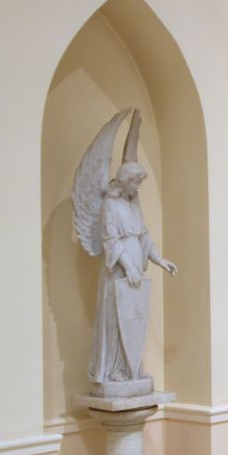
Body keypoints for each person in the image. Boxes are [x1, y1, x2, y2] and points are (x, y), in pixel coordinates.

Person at [89, 161, 178, 387]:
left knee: (134, 318)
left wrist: (160, 260)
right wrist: (128, 266)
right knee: (116, 319)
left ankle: (132, 367)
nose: (137, 188)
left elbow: (144, 237)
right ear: (126, 181)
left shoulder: (133, 205)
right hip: (118, 271)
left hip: (134, 272)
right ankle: (114, 369)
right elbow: (110, 240)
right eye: (136, 183)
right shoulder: (110, 206)